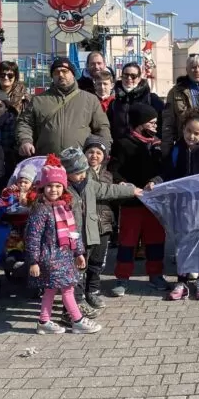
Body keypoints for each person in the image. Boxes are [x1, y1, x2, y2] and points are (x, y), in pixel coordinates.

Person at [153, 108, 199, 301]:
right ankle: (182, 282)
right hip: (182, 207)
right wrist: (155, 181)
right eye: (188, 131)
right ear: (183, 129)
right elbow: (167, 173)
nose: (191, 136)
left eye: (196, 133)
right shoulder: (176, 150)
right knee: (183, 246)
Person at [25, 156, 101, 335]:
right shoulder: (40, 209)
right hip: (49, 257)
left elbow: (73, 232)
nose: (53, 190)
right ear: (43, 187)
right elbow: (33, 237)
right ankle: (77, 320)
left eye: (58, 186)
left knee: (51, 290)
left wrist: (79, 252)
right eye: (50, 186)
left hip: (65, 256)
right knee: (67, 288)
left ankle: (43, 321)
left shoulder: (64, 207)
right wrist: (33, 261)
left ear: (63, 188)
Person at [60, 146, 139, 310]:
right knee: (78, 269)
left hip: (92, 232)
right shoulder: (62, 190)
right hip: (74, 237)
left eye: (84, 171)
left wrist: (131, 190)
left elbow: (108, 189)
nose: (82, 175)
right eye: (78, 172)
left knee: (95, 265)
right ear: (67, 173)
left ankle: (92, 293)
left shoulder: (89, 183)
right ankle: (77, 302)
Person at [107, 103, 173, 298]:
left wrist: (156, 180)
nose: (154, 125)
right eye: (150, 122)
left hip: (154, 204)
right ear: (139, 123)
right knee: (127, 242)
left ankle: (156, 275)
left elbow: (165, 171)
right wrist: (126, 185)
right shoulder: (123, 143)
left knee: (155, 241)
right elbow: (114, 170)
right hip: (131, 203)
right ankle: (122, 278)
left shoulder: (158, 145)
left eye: (155, 122)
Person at [16, 57, 111, 158]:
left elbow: (102, 128)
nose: (60, 75)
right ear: (52, 77)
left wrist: (103, 150)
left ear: (73, 74)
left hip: (80, 164)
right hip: (47, 161)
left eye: (65, 71)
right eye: (56, 72)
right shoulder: (39, 100)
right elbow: (25, 123)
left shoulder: (90, 100)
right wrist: (25, 140)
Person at [162, 54, 199, 155]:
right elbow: (168, 123)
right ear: (187, 70)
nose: (197, 70)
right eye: (193, 67)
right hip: (185, 145)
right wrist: (167, 150)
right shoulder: (175, 92)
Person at [107, 61, 164, 140]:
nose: (129, 78)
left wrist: (156, 139)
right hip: (119, 147)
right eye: (125, 75)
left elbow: (163, 122)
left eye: (133, 76)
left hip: (144, 147)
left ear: (139, 78)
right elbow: (108, 124)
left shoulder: (151, 99)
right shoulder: (114, 100)